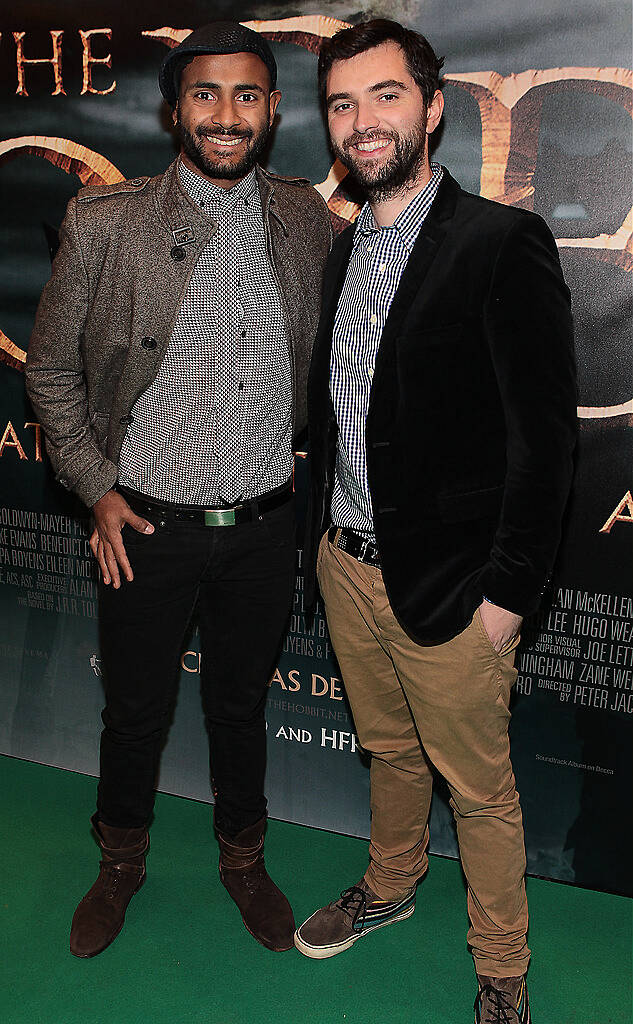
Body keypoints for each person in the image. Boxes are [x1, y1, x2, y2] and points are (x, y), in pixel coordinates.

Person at [25, 21, 331, 958]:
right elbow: (49, 374)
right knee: (136, 712)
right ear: (174, 109)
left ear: (274, 110)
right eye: (207, 95)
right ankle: (120, 861)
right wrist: (95, 488)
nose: (227, 115)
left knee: (240, 708)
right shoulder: (104, 223)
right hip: (145, 530)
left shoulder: (306, 218)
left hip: (263, 530)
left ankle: (244, 860)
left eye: (247, 95)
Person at [294, 19, 576, 1023]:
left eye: (383, 96)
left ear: (432, 106)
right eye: (341, 103)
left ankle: (503, 966)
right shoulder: (343, 245)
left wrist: (509, 595)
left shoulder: (503, 242)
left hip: (458, 586)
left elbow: (544, 444)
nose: (361, 121)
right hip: (347, 562)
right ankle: (392, 884)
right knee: (390, 751)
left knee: (483, 792)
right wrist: (326, 544)